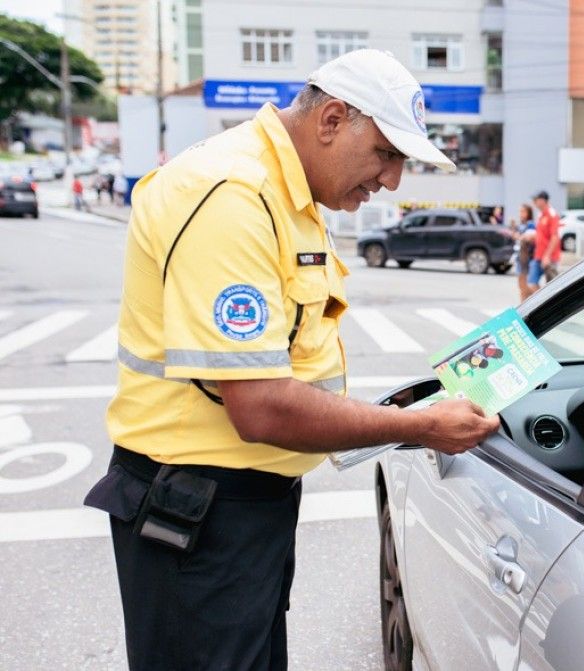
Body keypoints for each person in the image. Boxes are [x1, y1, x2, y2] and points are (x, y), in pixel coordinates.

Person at [83, 49, 499, 670]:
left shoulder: (292, 195)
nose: (392, 181)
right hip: (195, 511)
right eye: (387, 154)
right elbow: (261, 407)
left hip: (240, 506)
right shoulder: (232, 195)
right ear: (332, 119)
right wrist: (420, 427)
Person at [526, 189, 561, 296]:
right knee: (532, 283)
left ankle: (548, 306)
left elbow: (555, 237)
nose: (534, 202)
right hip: (538, 255)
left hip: (549, 257)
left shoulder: (552, 214)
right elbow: (541, 235)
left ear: (542, 200)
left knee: (552, 288)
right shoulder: (541, 215)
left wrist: (547, 256)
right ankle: (542, 303)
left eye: (536, 200)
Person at [513, 203, 536, 302]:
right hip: (520, 256)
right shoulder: (522, 225)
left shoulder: (530, 224)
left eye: (523, 211)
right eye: (520, 211)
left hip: (526, 257)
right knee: (521, 285)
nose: (521, 214)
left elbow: (529, 238)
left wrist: (519, 236)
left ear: (529, 213)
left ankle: (538, 297)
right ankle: (522, 307)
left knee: (523, 284)